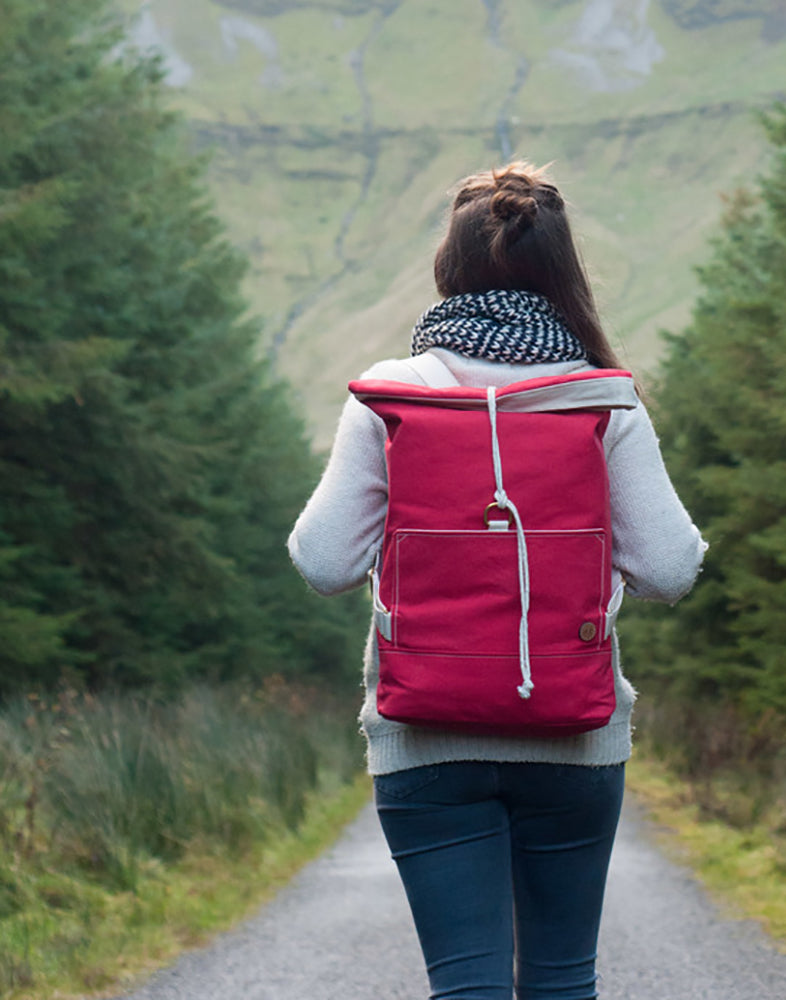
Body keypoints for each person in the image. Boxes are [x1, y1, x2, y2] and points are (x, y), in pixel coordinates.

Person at [287, 161, 707, 1000]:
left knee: (466, 987)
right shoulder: (603, 400)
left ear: (450, 267)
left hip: (425, 737)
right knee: (560, 982)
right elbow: (668, 567)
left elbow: (324, 561)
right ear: (563, 273)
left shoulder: (388, 397)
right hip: (573, 733)